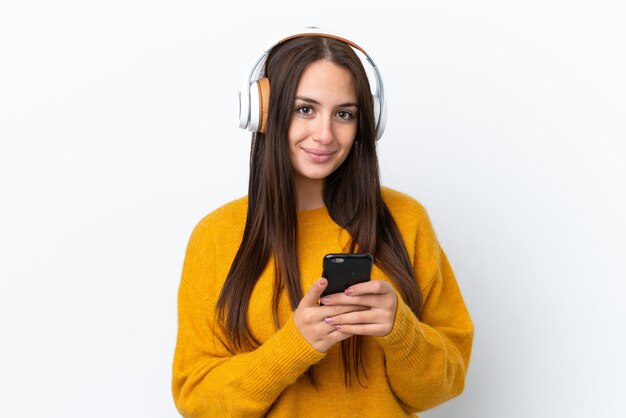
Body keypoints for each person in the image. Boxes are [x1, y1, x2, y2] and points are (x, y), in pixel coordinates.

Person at [171, 27, 474, 417]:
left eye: (344, 114)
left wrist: (400, 330)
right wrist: (295, 346)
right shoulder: (216, 235)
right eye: (305, 109)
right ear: (263, 114)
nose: (325, 134)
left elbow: (443, 386)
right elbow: (198, 402)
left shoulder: (405, 220)